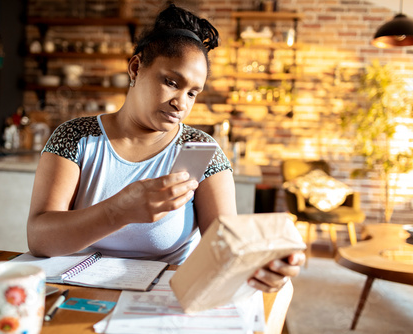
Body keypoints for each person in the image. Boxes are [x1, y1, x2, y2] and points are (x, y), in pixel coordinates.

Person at [27, 3, 304, 293]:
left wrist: (261, 266)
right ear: (135, 68)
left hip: (161, 299)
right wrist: (119, 211)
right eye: (172, 83)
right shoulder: (76, 138)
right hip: (76, 292)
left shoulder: (200, 150)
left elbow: (225, 246)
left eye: (192, 93)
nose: (181, 103)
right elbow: (39, 238)